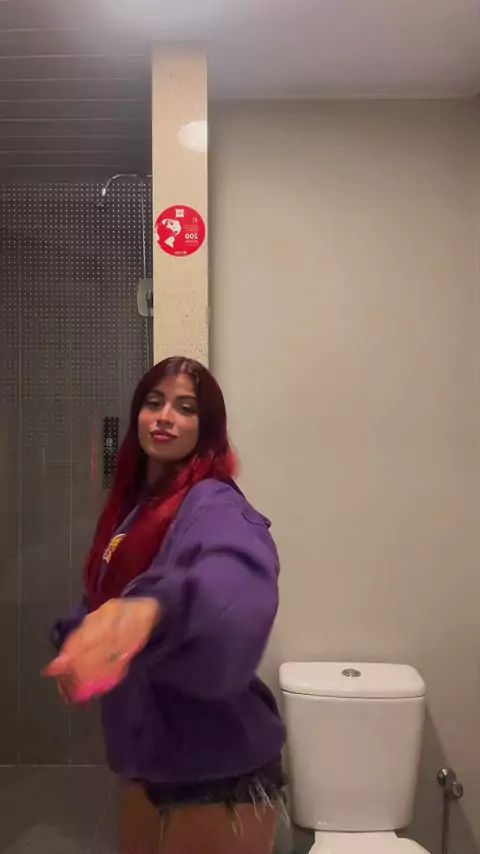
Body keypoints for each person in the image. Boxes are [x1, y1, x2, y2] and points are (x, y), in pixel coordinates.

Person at [45, 356, 286, 854]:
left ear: (207, 426)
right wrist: (81, 636)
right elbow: (103, 601)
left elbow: (233, 581)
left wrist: (156, 611)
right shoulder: (139, 507)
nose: (164, 417)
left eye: (185, 408)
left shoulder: (214, 503)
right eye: (154, 403)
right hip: (151, 762)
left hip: (218, 771)